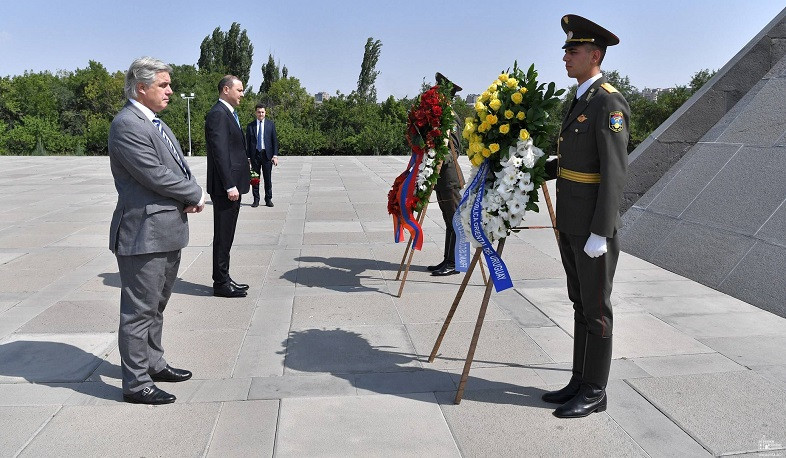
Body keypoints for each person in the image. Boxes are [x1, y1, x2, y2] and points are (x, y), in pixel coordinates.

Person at [541, 14, 630, 418]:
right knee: (579, 304)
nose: (565, 58)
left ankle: (596, 390)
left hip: (592, 227)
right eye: (565, 51)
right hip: (571, 221)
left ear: (594, 55)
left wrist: (602, 231)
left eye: (572, 51)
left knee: (597, 309)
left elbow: (614, 170)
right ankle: (579, 379)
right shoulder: (580, 98)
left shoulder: (608, 101)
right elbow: (578, 159)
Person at [109, 57, 206, 405]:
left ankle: (152, 362)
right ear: (141, 88)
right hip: (143, 234)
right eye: (163, 85)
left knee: (155, 307)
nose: (170, 91)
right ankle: (136, 384)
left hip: (165, 230)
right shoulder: (128, 125)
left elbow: (177, 167)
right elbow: (154, 174)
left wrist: (190, 191)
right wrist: (194, 194)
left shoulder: (154, 123)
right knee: (138, 312)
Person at [205, 75, 251, 298]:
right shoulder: (218, 114)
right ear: (226, 89)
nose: (242, 94)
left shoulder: (228, 113)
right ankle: (221, 283)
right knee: (223, 236)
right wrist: (229, 185)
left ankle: (225, 277)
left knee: (228, 235)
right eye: (239, 90)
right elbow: (220, 152)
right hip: (226, 188)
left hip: (232, 185)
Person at [428, 72, 465, 276]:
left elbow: (455, 149)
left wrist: (439, 162)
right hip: (440, 177)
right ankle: (447, 260)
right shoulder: (440, 118)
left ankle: (454, 263)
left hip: (449, 177)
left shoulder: (451, 118)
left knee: (455, 220)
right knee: (448, 220)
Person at [245, 103, 280, 207]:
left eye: (262, 112)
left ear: (265, 113)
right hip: (255, 155)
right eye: (259, 112)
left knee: (267, 179)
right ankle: (256, 200)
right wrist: (248, 157)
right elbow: (247, 142)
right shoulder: (250, 126)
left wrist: (275, 155)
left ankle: (268, 199)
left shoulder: (270, 125)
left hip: (267, 155)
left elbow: (274, 141)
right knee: (255, 179)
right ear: (256, 113)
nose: (261, 114)